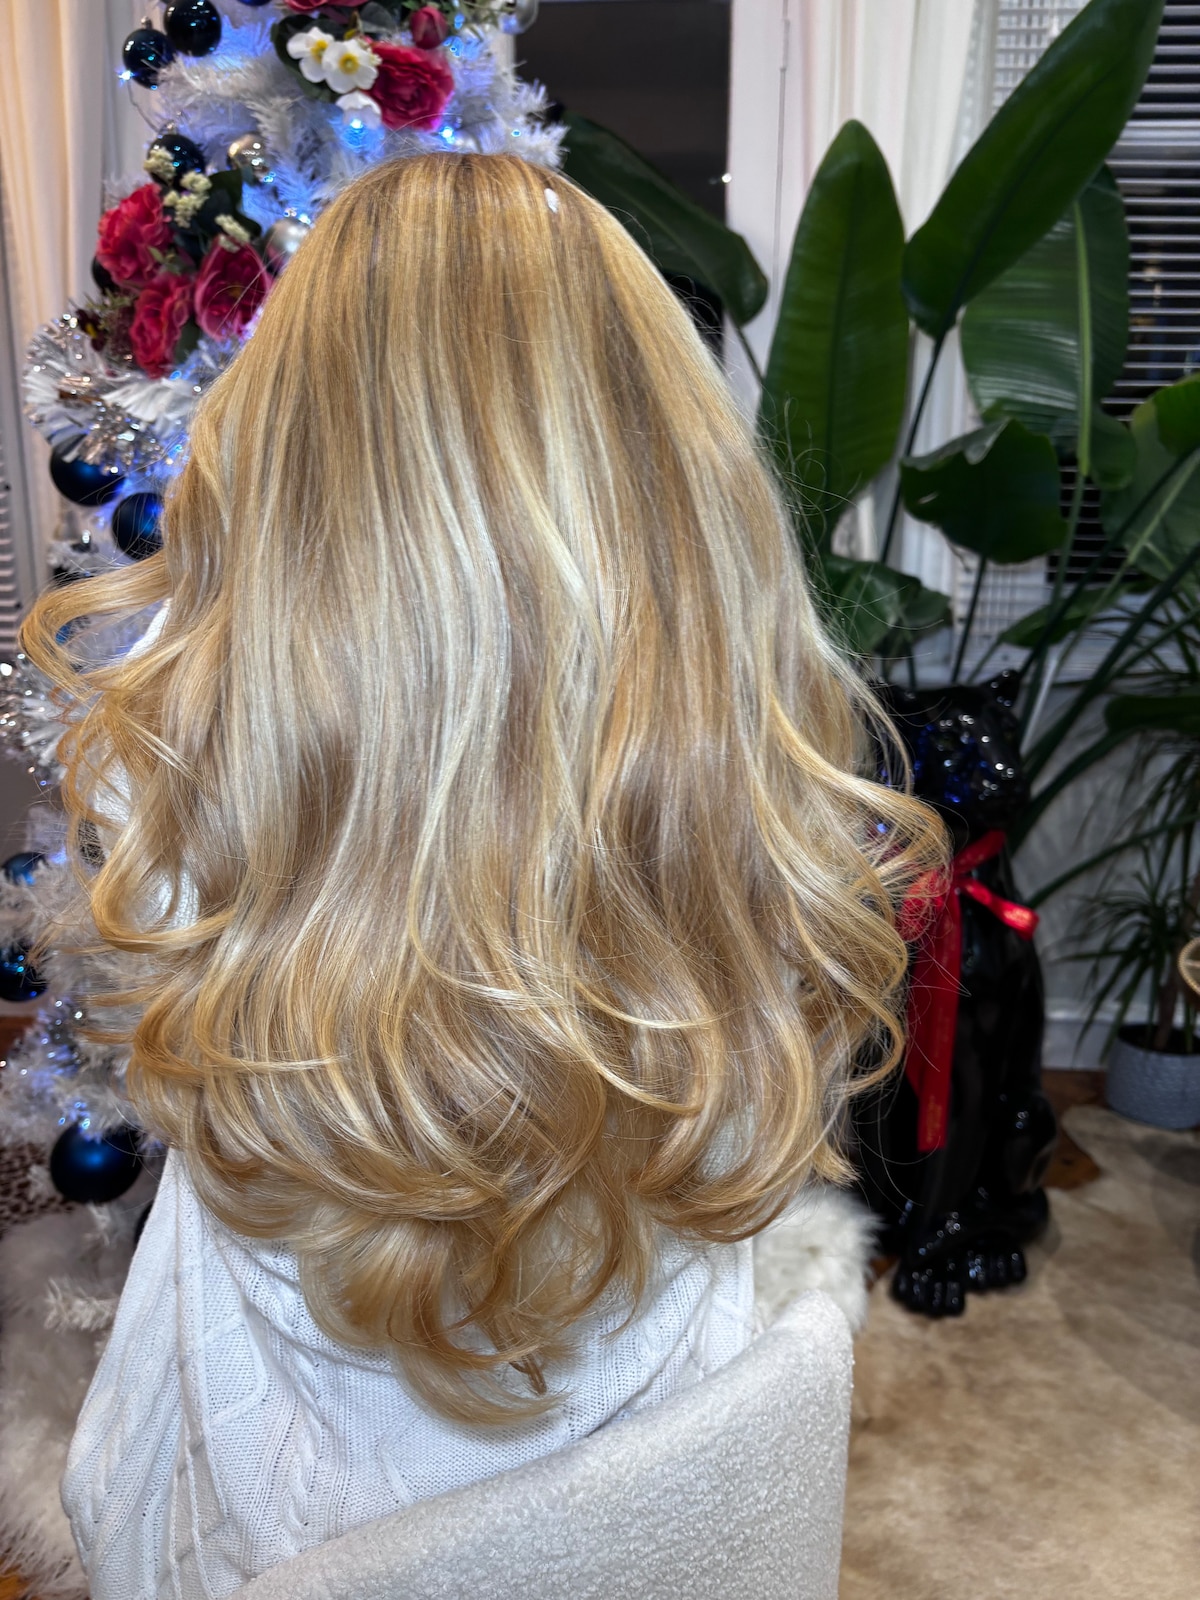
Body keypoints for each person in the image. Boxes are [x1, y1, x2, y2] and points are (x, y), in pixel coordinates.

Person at [23, 153, 943, 1600]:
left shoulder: (180, 773)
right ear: (670, 466)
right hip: (642, 1505)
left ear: (289, 455)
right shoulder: (736, 786)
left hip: (301, 1526)